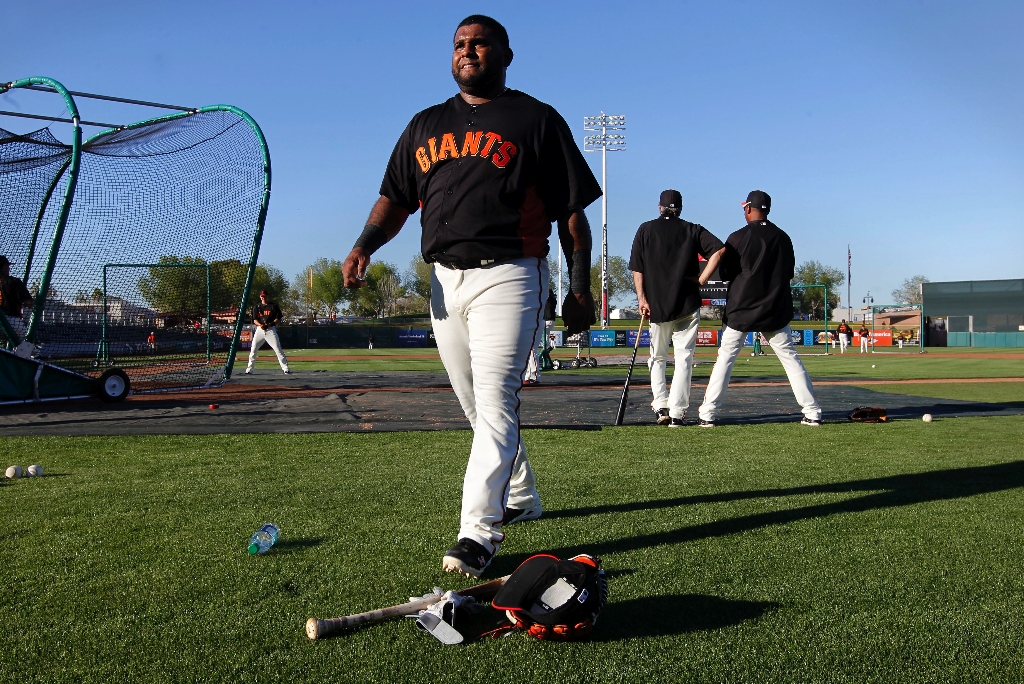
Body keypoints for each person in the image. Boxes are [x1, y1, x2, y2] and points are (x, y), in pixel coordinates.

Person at [341, 15, 600, 578]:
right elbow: (394, 197)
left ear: (507, 54)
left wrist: (580, 288)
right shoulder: (425, 124)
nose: (468, 50)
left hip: (511, 274)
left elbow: (572, 215)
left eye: (480, 42)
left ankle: (478, 532)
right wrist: (364, 244)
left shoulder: (536, 119)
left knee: (496, 401)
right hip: (444, 279)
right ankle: (523, 495)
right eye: (459, 44)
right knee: (475, 405)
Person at [698, 191, 822, 427]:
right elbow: (789, 273)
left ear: (748, 209)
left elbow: (724, 274)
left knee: (725, 359)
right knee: (791, 360)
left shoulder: (737, 237)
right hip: (775, 310)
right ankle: (812, 411)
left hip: (740, 310)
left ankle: (708, 414)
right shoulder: (783, 237)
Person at [629, 189, 725, 426]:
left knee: (657, 357)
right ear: (680, 208)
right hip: (687, 303)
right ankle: (677, 413)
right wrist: (702, 280)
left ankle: (661, 405)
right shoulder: (692, 229)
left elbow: (637, 268)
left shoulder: (646, 229)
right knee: (684, 359)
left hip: (656, 306)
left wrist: (642, 299)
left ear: (659, 207)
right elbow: (719, 250)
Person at [245, 290, 290, 374]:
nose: (263, 298)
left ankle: (285, 368)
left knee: (277, 349)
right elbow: (255, 320)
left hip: (270, 330)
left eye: (265, 296)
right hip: (260, 330)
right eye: (262, 296)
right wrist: (261, 325)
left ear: (267, 296)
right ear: (260, 297)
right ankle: (249, 369)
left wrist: (270, 324)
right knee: (253, 349)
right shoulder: (257, 307)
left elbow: (278, 317)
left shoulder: (273, 306)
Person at [0, 255, 34, 341]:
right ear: (4, 267)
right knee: (28, 347)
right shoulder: (14, 281)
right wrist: (37, 303)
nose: (9, 269)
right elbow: (27, 303)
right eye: (7, 266)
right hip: (12, 322)